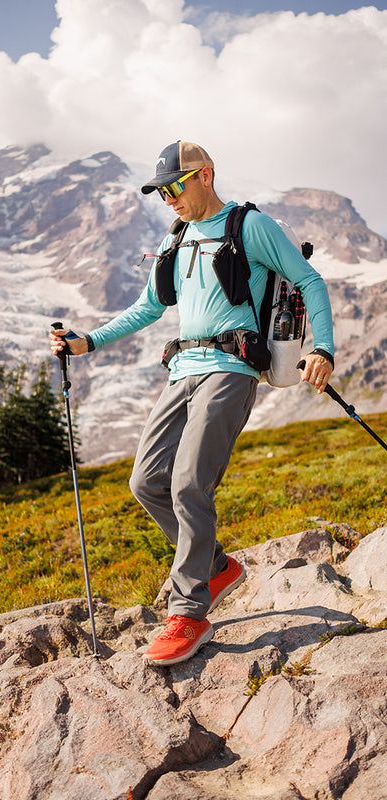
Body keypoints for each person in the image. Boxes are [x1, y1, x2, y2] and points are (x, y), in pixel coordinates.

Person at [49, 140, 334, 666]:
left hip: (231, 371)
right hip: (182, 370)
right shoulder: (174, 239)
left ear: (205, 175)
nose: (169, 199)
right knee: (146, 481)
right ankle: (218, 568)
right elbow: (147, 306)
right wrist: (88, 341)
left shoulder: (250, 226)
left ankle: (188, 613)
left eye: (175, 187)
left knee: (188, 484)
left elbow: (309, 280)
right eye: (161, 193)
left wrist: (324, 349)